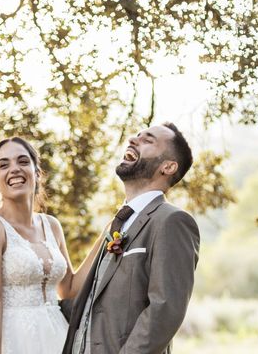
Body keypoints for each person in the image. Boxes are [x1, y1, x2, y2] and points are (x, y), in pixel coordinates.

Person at [0, 137, 105, 354]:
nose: (14, 169)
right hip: (16, 340)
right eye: (4, 165)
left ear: (37, 172)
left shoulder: (52, 225)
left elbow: (68, 288)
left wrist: (105, 236)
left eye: (23, 161)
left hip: (58, 335)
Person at [63, 122, 200, 354]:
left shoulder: (172, 221)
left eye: (148, 140)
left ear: (167, 167)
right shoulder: (117, 223)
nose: (133, 140)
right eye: (136, 136)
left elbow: (164, 310)